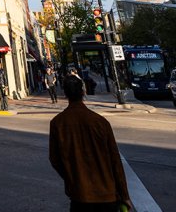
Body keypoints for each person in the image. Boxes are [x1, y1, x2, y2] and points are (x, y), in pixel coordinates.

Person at [49, 75, 132, 212]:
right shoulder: (100, 122)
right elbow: (115, 161)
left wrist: (72, 177)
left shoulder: (58, 123)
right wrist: (124, 195)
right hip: (107, 194)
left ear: (65, 94)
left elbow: (55, 160)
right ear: (83, 92)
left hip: (80, 196)